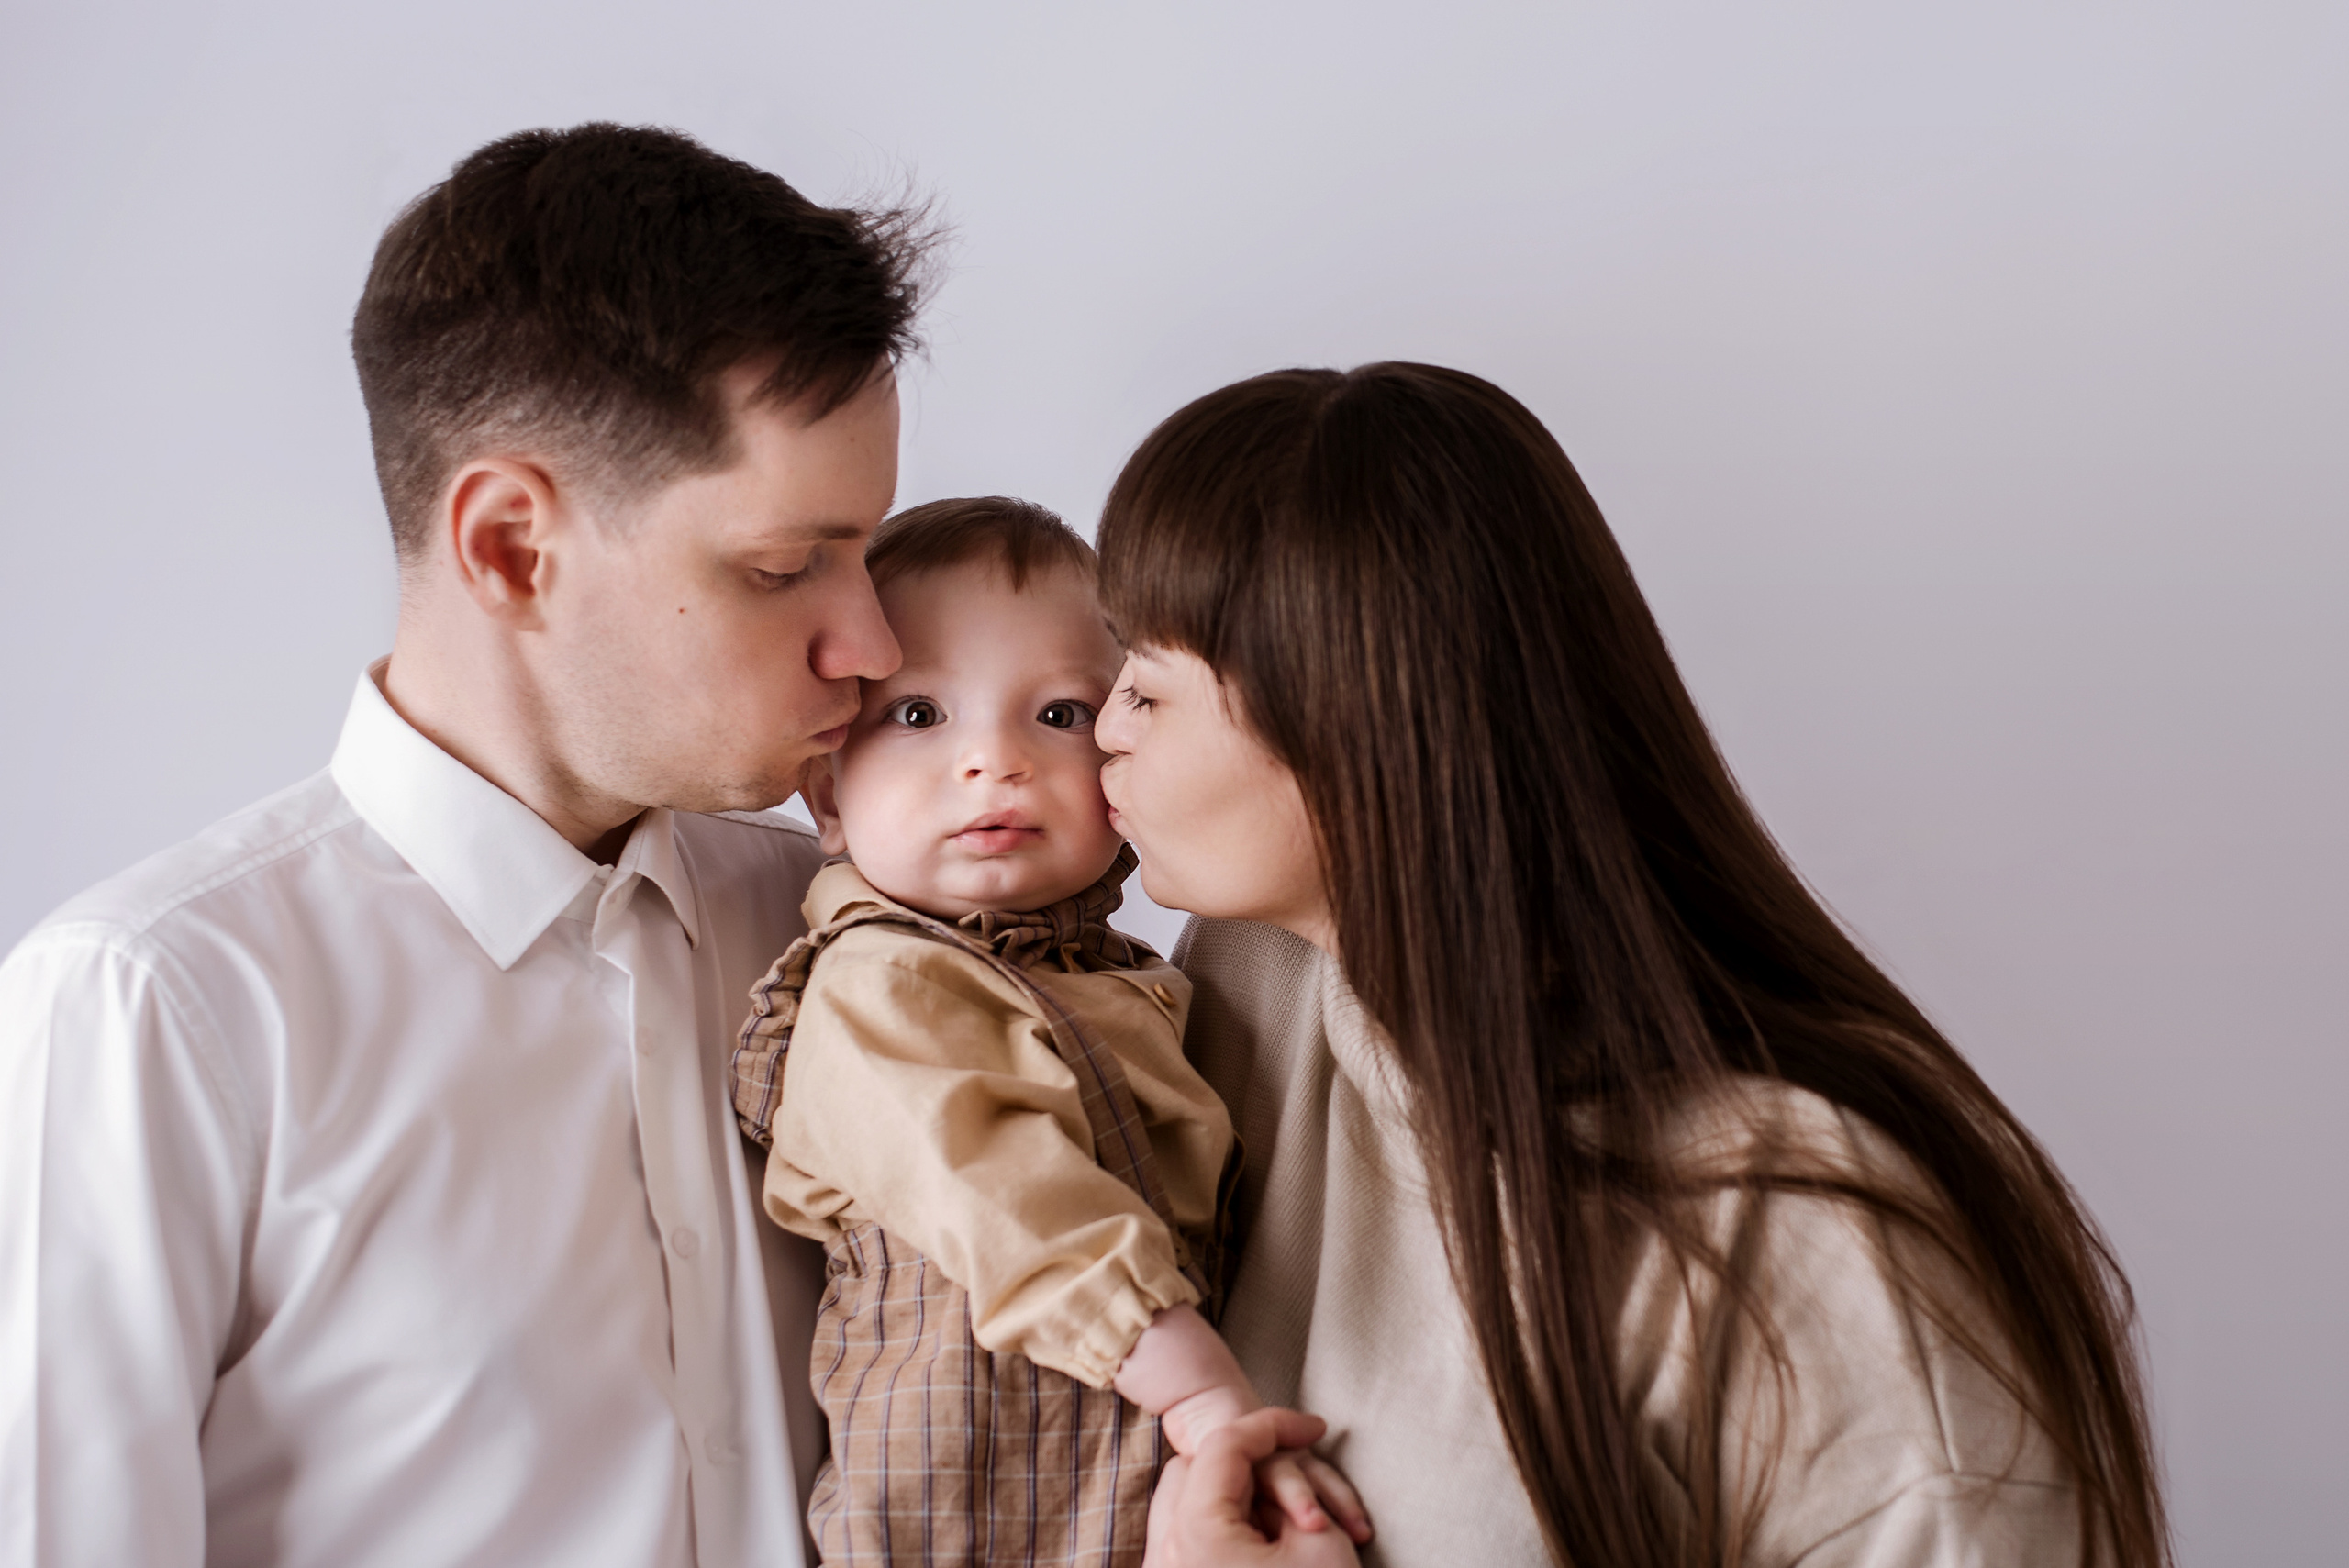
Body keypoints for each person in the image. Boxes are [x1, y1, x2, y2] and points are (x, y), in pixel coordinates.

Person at [0, 124, 927, 1567]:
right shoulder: (156, 1007)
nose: (867, 644)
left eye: (866, 551)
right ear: (508, 546)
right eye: (782, 566)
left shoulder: (845, 929)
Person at [1093, 363, 2173, 1567]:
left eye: (1146, 685)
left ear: (1354, 727)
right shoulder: (1256, 986)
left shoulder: (1807, 1235)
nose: (1101, 729)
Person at [729, 497, 1367, 1565]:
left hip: (1141, 1499)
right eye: (921, 715)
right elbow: (1004, 1190)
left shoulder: (1146, 986)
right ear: (825, 796)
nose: (996, 760)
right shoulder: (878, 983)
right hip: (962, 1511)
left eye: (1061, 714)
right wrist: (1204, 1393)